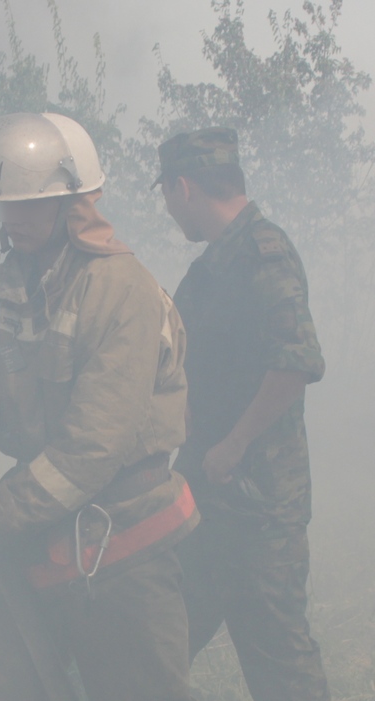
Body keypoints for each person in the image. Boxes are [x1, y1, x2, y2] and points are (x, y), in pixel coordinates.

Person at [0, 112, 199, 701]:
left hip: (124, 545)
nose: (14, 219)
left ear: (77, 204)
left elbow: (92, 448)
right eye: (6, 205)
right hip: (32, 542)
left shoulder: (121, 289)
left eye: (31, 204)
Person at [155, 127, 330, 701]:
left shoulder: (263, 253)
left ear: (183, 188)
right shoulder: (210, 268)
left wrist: (233, 444)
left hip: (258, 509)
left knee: (281, 664)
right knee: (154, 644)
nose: (168, 208)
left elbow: (296, 361)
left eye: (165, 194)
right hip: (204, 501)